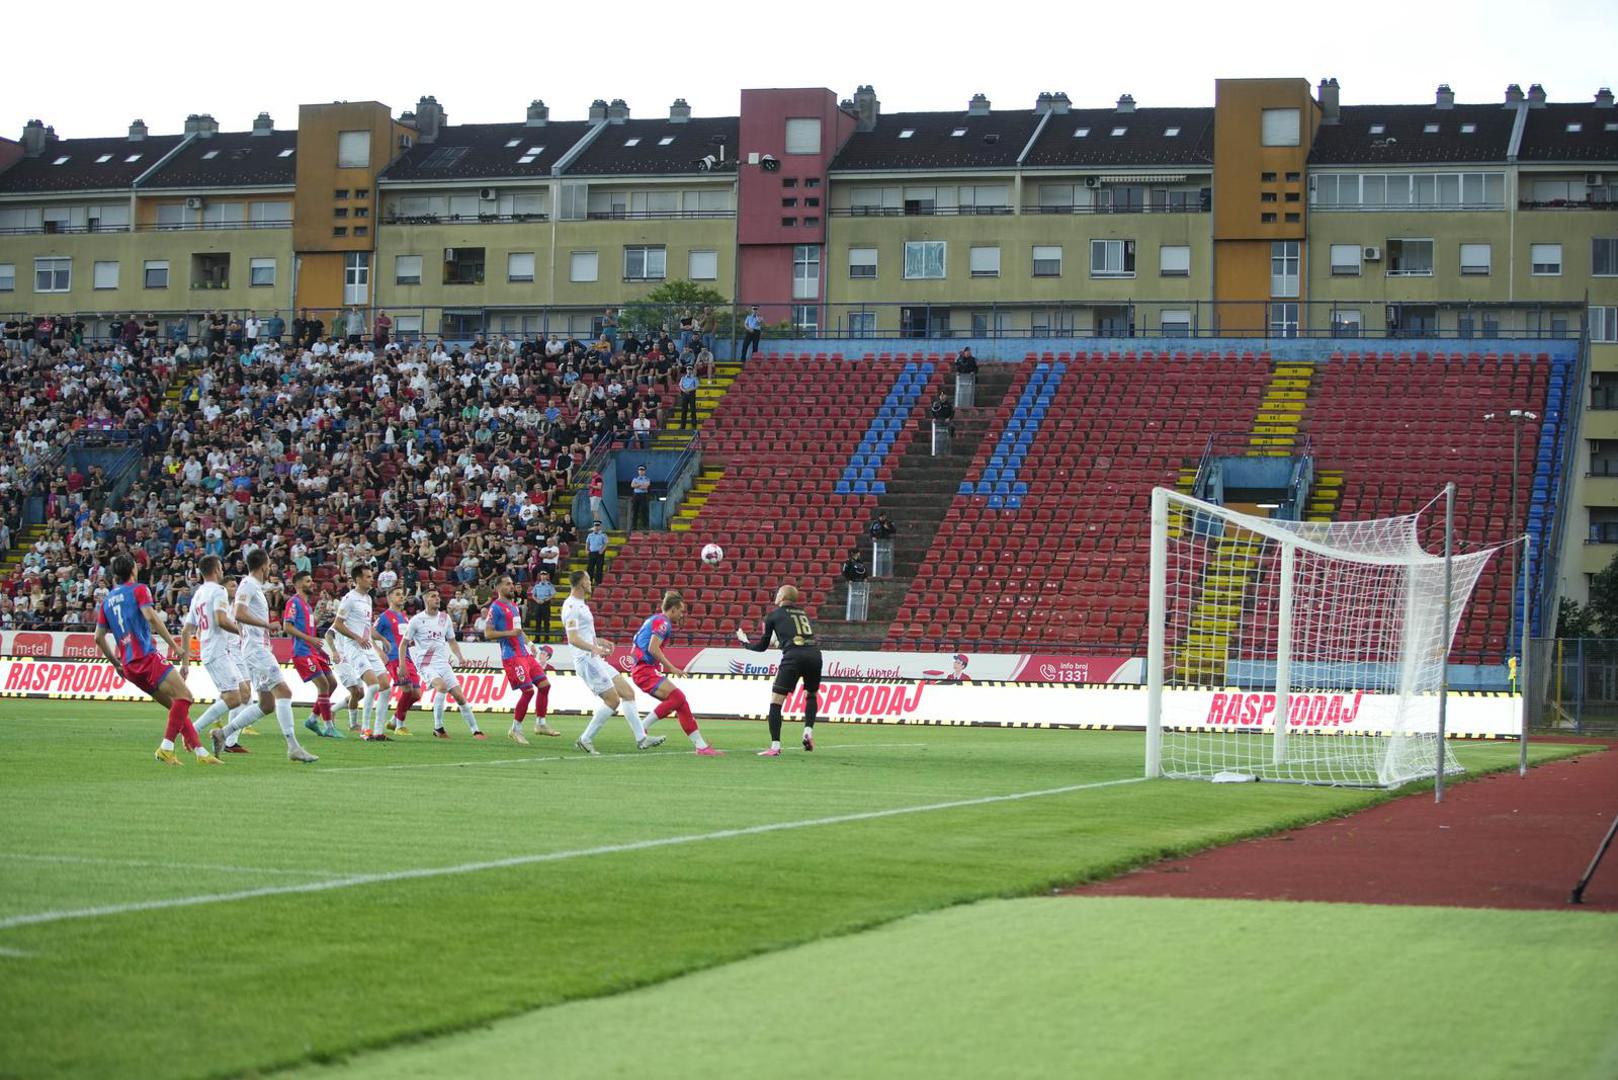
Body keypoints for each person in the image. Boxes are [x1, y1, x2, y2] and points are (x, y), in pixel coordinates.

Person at [97, 555, 220, 765]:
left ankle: (201, 753)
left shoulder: (106, 601)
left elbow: (98, 638)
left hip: (129, 665)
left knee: (176, 707)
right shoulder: (139, 589)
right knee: (185, 697)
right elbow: (151, 616)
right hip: (145, 656)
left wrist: (116, 664)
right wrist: (174, 646)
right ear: (133, 569)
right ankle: (166, 748)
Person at [210, 549, 319, 763]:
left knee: (266, 705)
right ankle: (293, 747)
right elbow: (239, 613)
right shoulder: (249, 584)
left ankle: (223, 734)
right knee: (284, 692)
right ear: (264, 566)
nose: (270, 568)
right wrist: (266, 625)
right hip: (256, 649)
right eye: (269, 564)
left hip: (257, 649)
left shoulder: (253, 586)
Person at [562, 570, 661, 754]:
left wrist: (599, 642)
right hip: (586, 660)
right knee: (612, 700)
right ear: (581, 582)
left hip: (594, 657)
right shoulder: (571, 607)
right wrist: (593, 648)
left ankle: (641, 739)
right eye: (588, 579)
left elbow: (584, 634)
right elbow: (573, 638)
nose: (590, 582)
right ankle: (585, 739)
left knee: (628, 693)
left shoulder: (581, 604)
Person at [735, 584, 823, 756]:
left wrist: (745, 642)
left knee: (776, 702)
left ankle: (775, 746)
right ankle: (808, 731)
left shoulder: (773, 616)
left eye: (778, 593)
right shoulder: (804, 614)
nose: (775, 596)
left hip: (793, 657)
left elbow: (762, 647)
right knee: (811, 695)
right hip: (814, 655)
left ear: (782, 596)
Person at [631, 590, 718, 754]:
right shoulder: (663, 623)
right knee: (678, 698)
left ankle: (701, 746)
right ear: (673, 609)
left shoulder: (655, 619)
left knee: (681, 702)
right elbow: (653, 648)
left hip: (642, 669)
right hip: (644, 670)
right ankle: (642, 728)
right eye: (681, 611)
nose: (681, 615)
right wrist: (671, 668)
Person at [180, 555, 253, 750]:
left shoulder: (198, 594)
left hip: (217, 650)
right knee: (233, 698)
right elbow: (221, 620)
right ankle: (192, 731)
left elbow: (186, 631)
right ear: (216, 570)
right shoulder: (219, 591)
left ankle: (228, 740)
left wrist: (185, 663)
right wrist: (243, 632)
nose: (222, 571)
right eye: (220, 568)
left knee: (244, 693)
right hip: (216, 650)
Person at [486, 574, 560, 742]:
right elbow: (488, 633)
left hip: (525, 654)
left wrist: (530, 643)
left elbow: (519, 631)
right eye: (507, 584)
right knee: (528, 691)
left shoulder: (513, 605)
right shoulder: (495, 608)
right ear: (498, 587)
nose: (511, 586)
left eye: (512, 583)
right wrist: (510, 633)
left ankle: (541, 724)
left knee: (545, 686)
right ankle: (515, 729)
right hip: (511, 656)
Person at [403, 588, 484, 739]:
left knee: (460, 697)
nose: (437, 599)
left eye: (438, 596)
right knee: (441, 687)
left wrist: (460, 657)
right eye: (433, 596)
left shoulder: (445, 618)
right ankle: (438, 728)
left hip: (443, 663)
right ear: (426, 600)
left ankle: (476, 730)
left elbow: (452, 641)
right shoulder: (416, 620)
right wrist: (402, 665)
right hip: (426, 663)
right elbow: (404, 643)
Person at [332, 563, 393, 740]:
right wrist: (356, 637)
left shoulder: (367, 599)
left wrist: (380, 642)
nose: (372, 579)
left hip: (368, 647)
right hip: (354, 647)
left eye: (372, 576)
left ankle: (379, 732)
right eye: (368, 577)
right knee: (373, 686)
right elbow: (337, 624)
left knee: (385, 687)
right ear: (358, 579)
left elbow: (366, 627)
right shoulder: (349, 598)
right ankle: (365, 730)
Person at [284, 569, 341, 738]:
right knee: (323, 685)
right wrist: (310, 639)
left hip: (312, 651)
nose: (312, 584)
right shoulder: (293, 603)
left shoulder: (308, 606)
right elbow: (287, 627)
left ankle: (312, 719)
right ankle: (328, 726)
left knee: (332, 684)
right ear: (298, 584)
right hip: (301, 652)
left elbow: (308, 628)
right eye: (308, 581)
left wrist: (319, 648)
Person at [374, 586, 421, 737]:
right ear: (389, 598)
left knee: (416, 694)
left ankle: (394, 720)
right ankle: (400, 726)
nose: (401, 597)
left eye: (402, 594)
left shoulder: (403, 616)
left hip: (407, 657)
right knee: (407, 689)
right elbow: (370, 634)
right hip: (394, 657)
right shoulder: (384, 617)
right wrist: (380, 651)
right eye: (397, 594)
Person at [529, 571, 556, 638]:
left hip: (546, 604)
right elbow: (533, 595)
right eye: (542, 575)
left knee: (546, 621)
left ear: (547, 576)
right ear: (540, 576)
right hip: (538, 604)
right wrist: (536, 600)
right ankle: (537, 638)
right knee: (538, 621)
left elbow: (553, 594)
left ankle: (546, 638)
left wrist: (545, 600)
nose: (543, 577)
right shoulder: (537, 585)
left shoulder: (549, 585)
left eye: (544, 575)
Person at [585, 521, 608, 585]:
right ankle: (589, 581)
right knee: (590, 568)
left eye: (598, 526)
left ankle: (598, 582)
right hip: (592, 553)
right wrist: (586, 549)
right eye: (595, 525)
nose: (597, 527)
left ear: (600, 527)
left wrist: (602, 550)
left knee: (599, 568)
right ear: (594, 526)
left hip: (599, 553)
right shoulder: (590, 535)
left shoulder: (603, 535)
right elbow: (587, 543)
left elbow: (605, 543)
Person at [629, 466, 652, 530]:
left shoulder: (647, 479)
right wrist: (641, 484)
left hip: (643, 495)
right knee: (634, 511)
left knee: (644, 511)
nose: (641, 471)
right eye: (640, 470)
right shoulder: (635, 478)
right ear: (638, 471)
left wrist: (637, 485)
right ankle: (634, 527)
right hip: (636, 495)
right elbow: (632, 485)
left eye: (642, 470)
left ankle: (645, 527)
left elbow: (645, 487)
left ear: (645, 471)